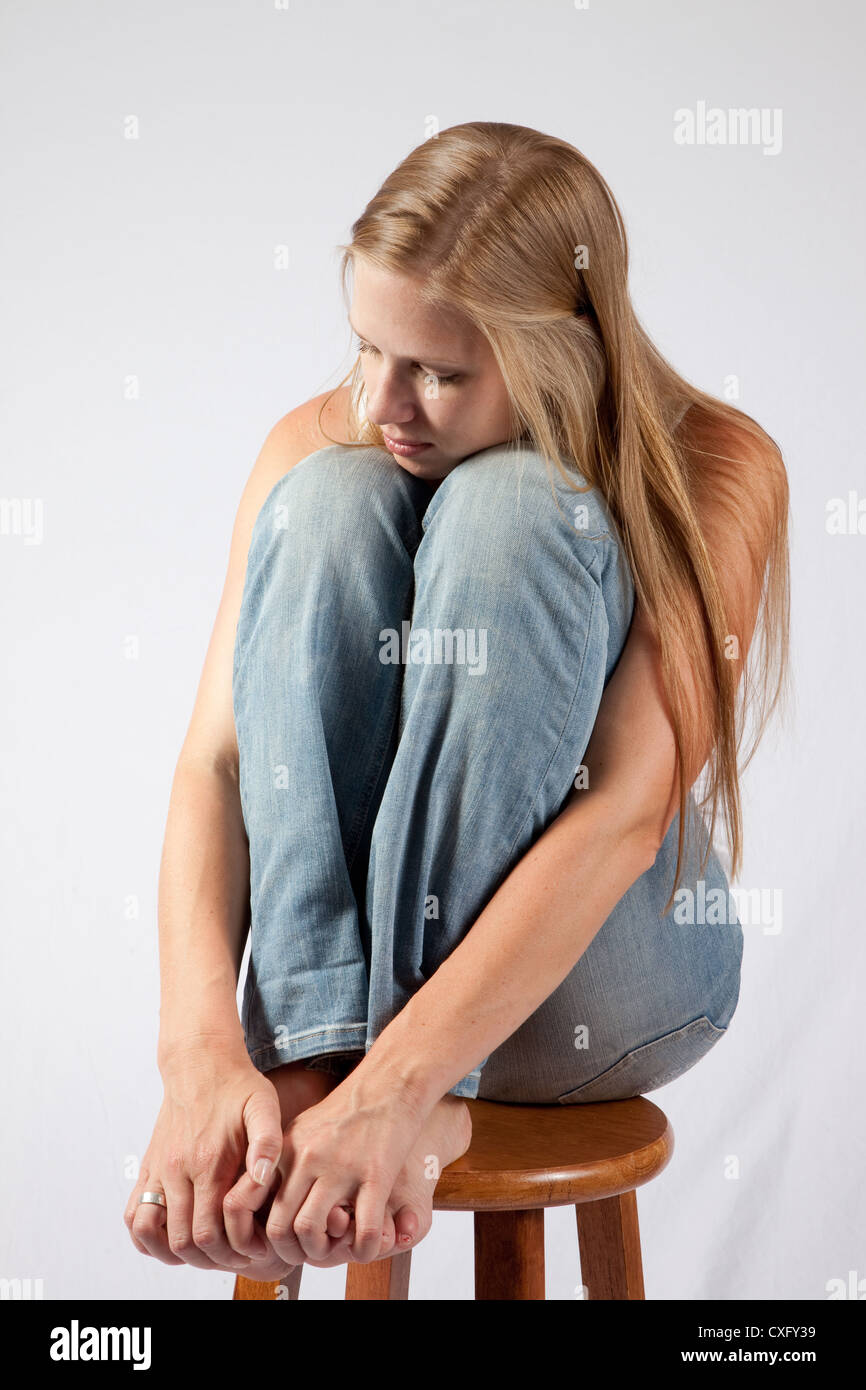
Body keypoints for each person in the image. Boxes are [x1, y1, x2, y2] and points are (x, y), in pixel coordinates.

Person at [124, 122, 790, 1283]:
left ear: (562, 353)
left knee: (516, 511)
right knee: (328, 498)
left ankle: (373, 1074)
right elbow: (217, 769)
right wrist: (202, 1060)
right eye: (367, 348)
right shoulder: (323, 440)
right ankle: (314, 1063)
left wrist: (401, 1084)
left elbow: (624, 813)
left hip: (598, 969)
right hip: (341, 984)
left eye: (437, 370)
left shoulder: (718, 462)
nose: (385, 400)